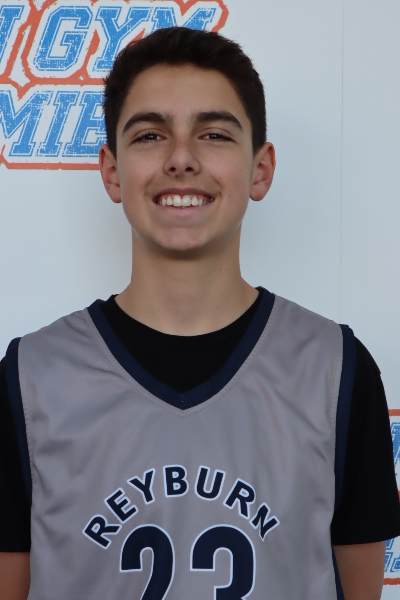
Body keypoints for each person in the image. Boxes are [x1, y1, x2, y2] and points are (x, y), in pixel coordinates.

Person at [0, 26, 399, 600]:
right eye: (150, 135)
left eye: (213, 134)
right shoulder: (31, 378)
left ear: (260, 168)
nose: (181, 159)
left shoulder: (336, 370)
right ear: (111, 171)